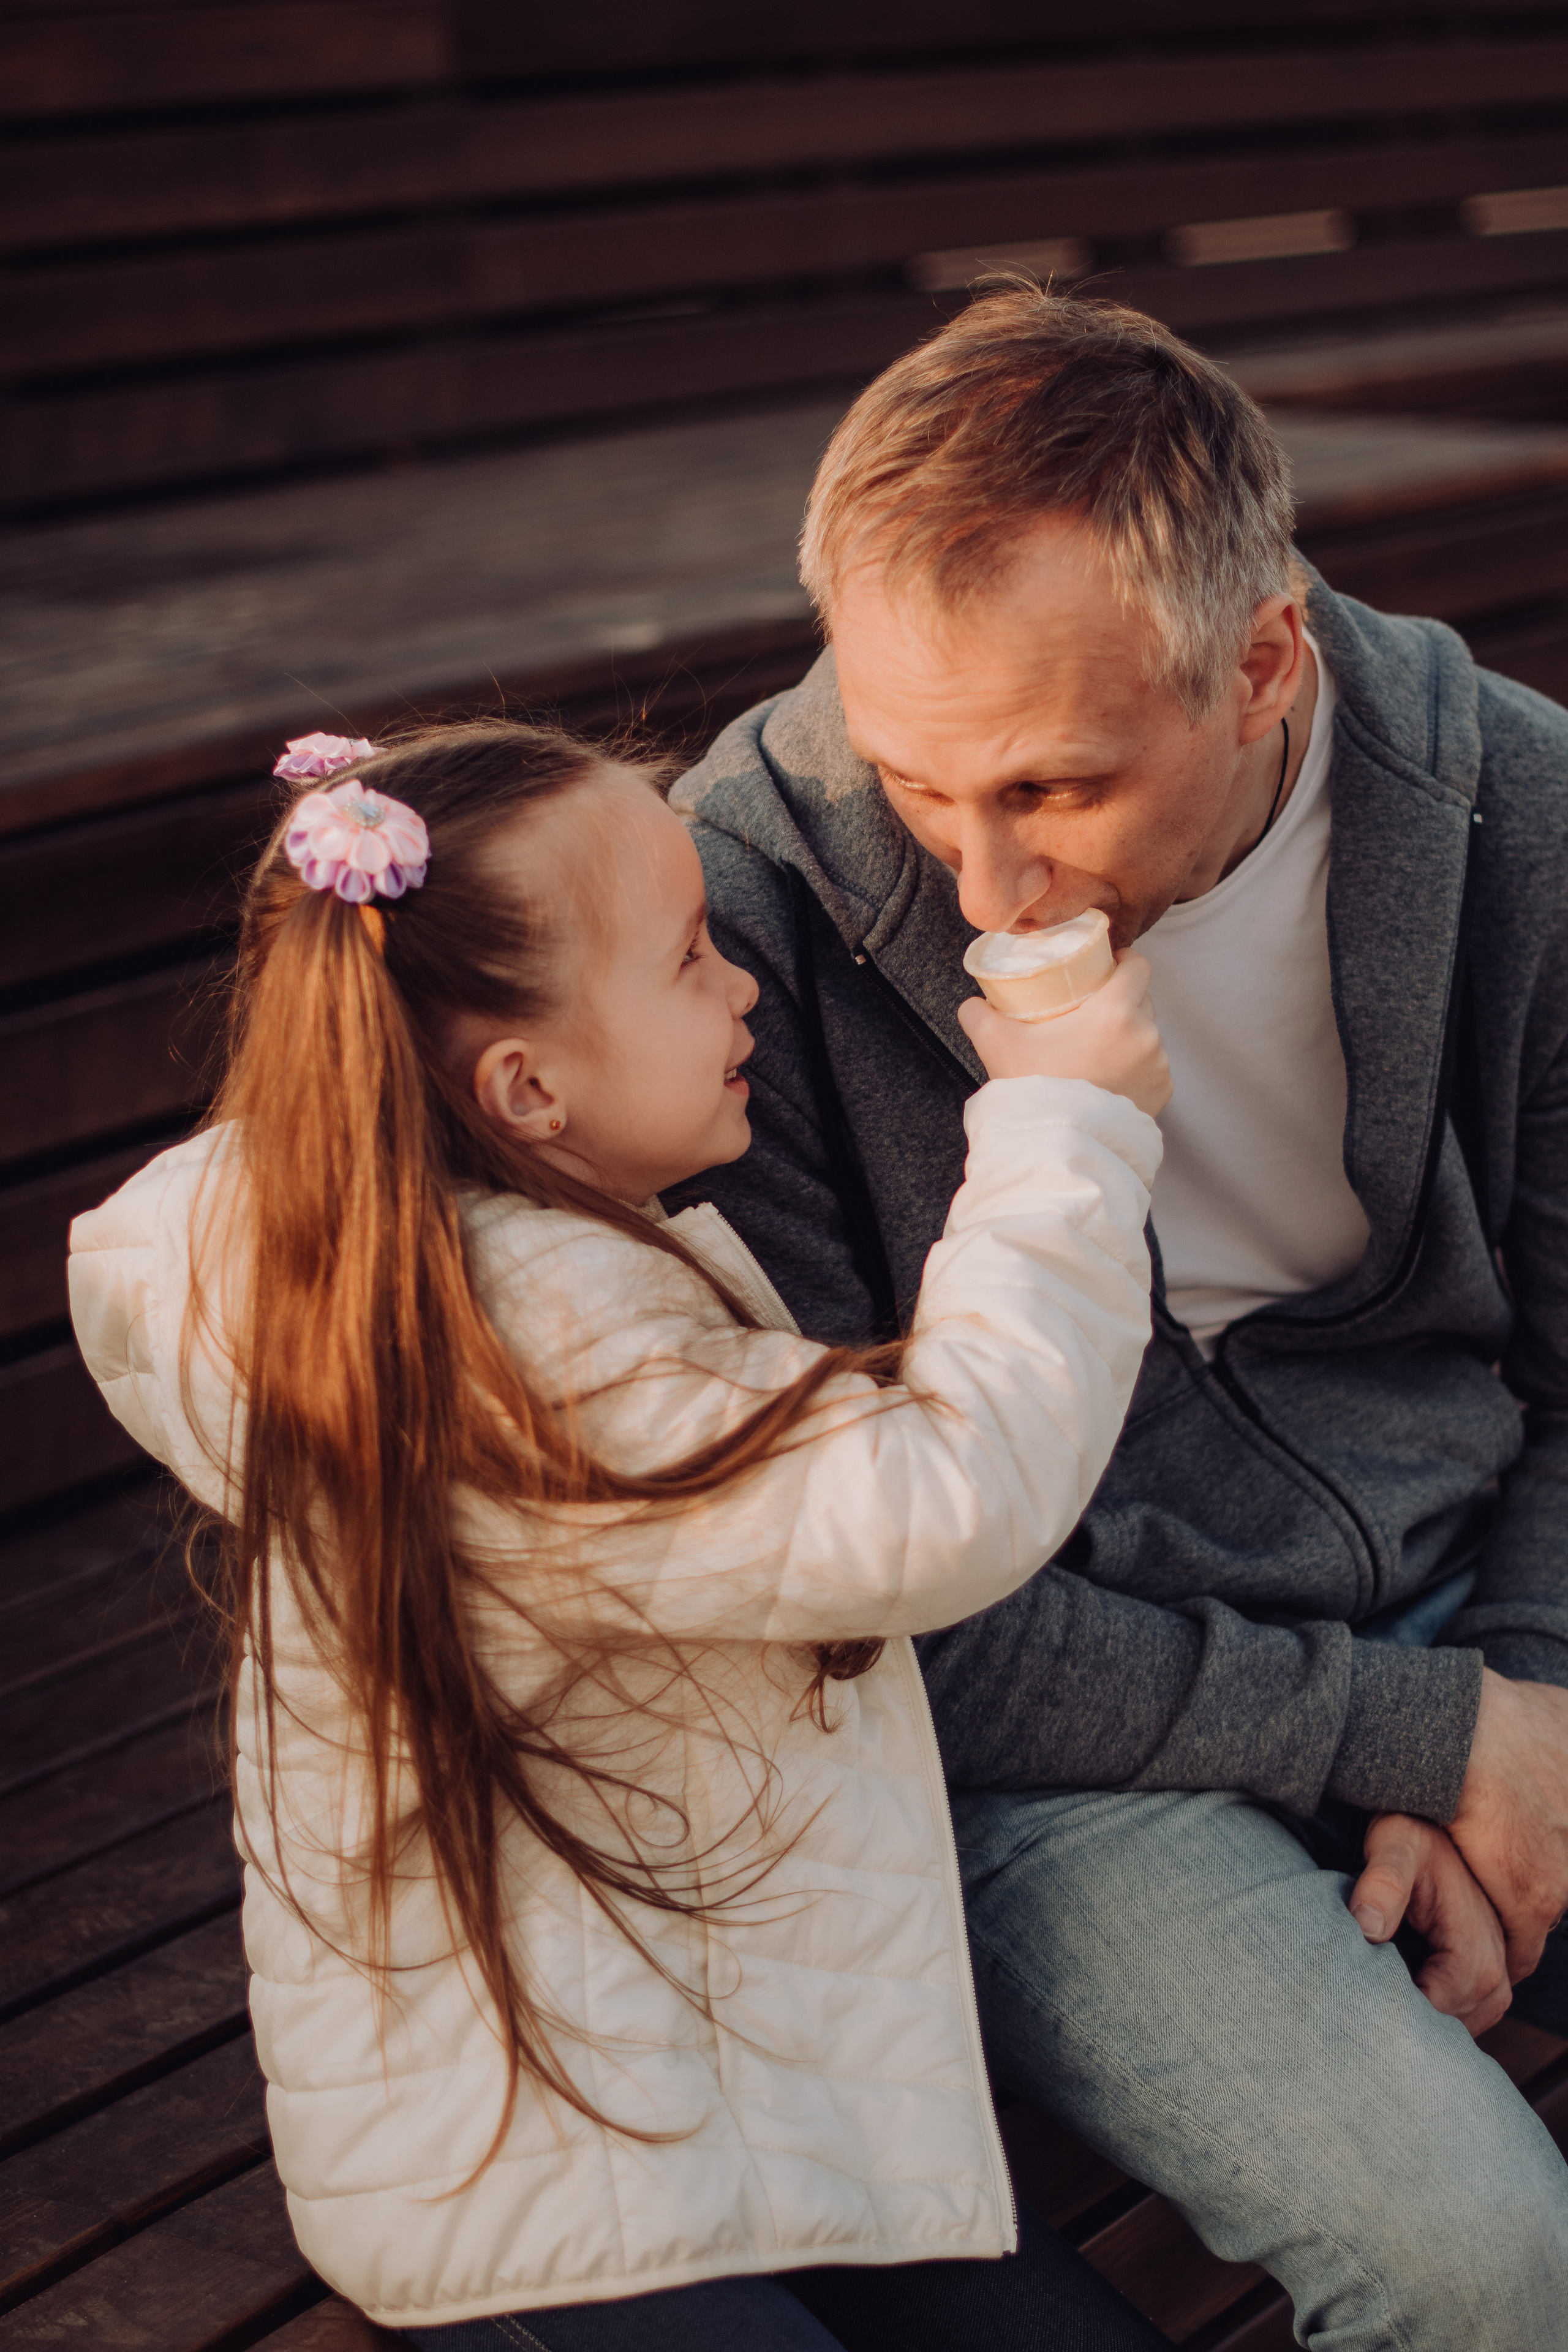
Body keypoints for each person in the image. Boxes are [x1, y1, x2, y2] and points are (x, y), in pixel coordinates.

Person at [665, 287, 1568, 2346]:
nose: (983, 889)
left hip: (1464, 1584)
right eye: (913, 785)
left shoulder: (1522, 815)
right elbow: (849, 1602)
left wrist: (1527, 1690)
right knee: (1490, 2266)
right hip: (1036, 1713)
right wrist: (1419, 1731)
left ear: (1265, 662)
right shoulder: (745, 907)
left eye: (1055, 792)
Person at [68, 718, 1174, 2349]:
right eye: (687, 957)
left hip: (713, 2083)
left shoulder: (374, 1259)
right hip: (556, 2212)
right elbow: (945, 1491)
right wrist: (1067, 1129)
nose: (738, 990)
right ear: (527, 1089)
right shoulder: (518, 1359)